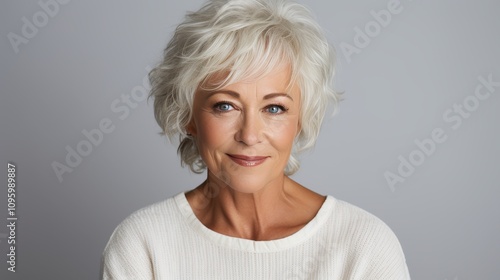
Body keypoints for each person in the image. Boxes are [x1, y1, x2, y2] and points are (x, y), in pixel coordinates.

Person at [100, 0, 411, 279]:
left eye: (274, 108)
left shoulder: (363, 247)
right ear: (188, 117)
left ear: (300, 118)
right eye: (225, 106)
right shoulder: (143, 245)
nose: (249, 135)